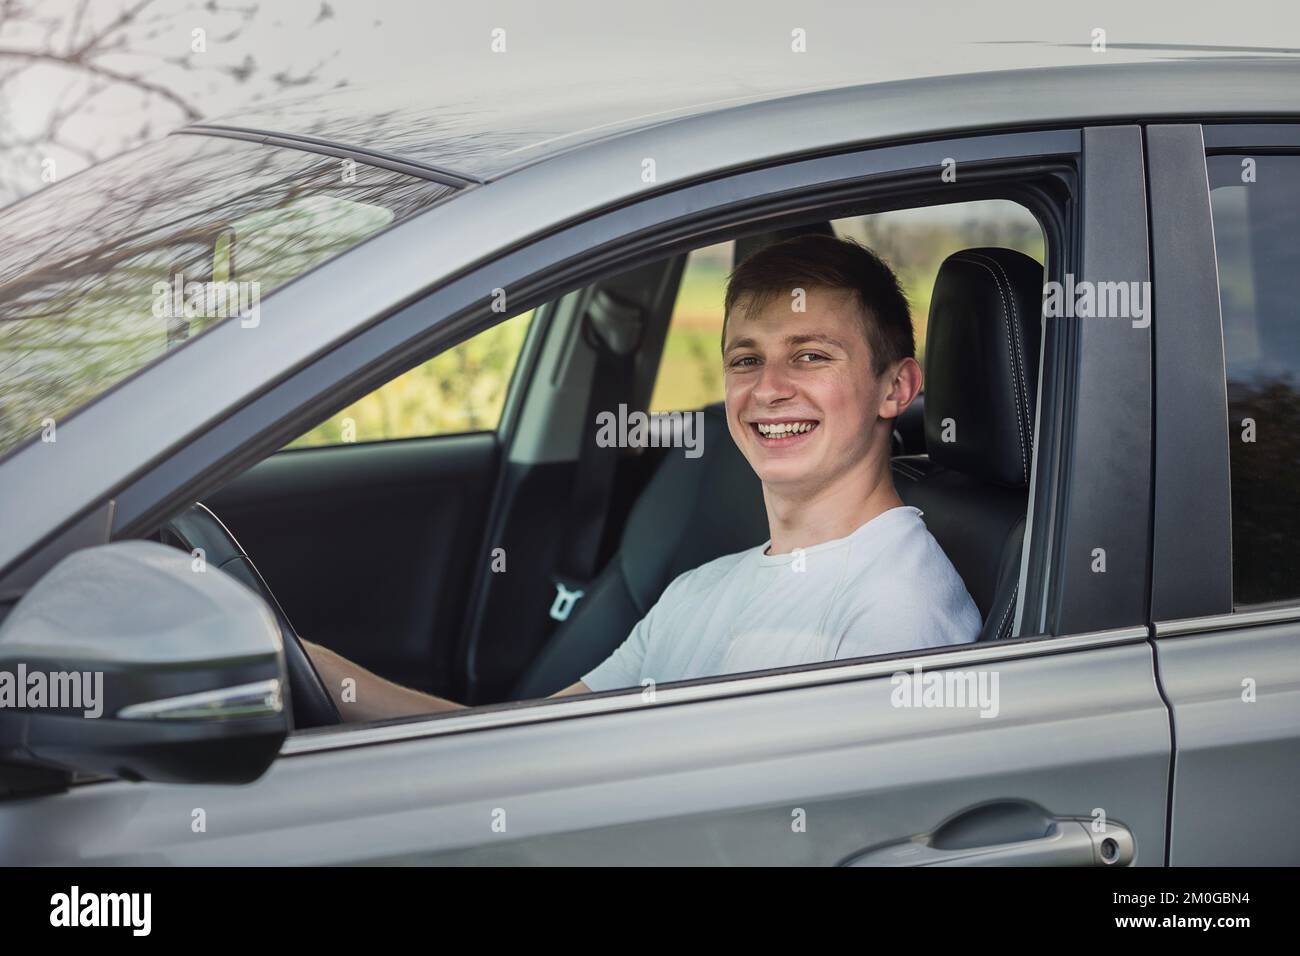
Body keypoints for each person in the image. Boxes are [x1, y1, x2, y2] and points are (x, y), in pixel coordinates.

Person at [304, 233, 980, 721]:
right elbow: (521, 751)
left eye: (810, 356)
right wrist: (314, 670)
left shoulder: (897, 609)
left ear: (896, 388)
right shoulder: (698, 590)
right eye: (745, 361)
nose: (768, 389)